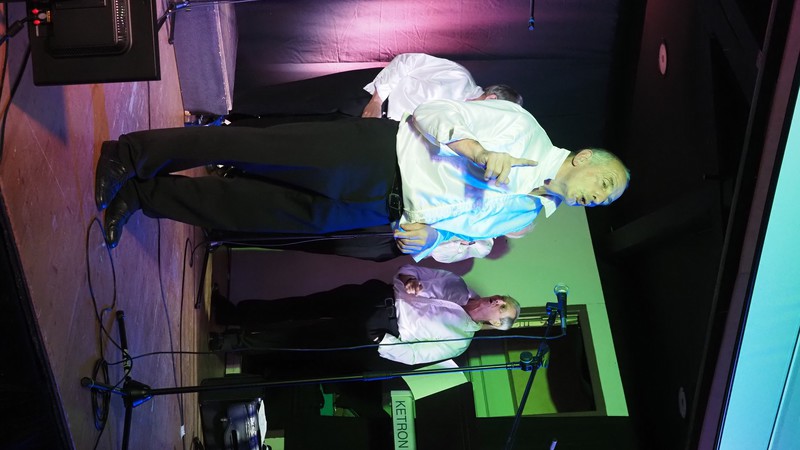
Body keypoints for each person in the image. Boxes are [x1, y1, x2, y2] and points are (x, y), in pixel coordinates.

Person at [95, 98, 630, 260]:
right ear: (584, 157)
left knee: (246, 210)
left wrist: (434, 236)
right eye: (604, 184)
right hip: (375, 155)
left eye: (605, 202)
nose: (597, 198)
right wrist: (477, 150)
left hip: (378, 209)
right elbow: (434, 113)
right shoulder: (523, 129)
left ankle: (145, 196)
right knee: (249, 149)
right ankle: (131, 154)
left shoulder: (530, 213)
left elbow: (462, 227)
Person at [210, 264, 521, 367]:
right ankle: (232, 313)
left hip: (381, 327)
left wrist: (380, 341)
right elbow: (411, 269)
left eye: (501, 307)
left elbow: (415, 355)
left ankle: (231, 343)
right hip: (376, 295)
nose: (496, 300)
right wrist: (408, 280)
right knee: (305, 305)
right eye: (501, 298)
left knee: (302, 336)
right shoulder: (457, 284)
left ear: (495, 323)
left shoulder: (459, 341)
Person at [229, 52, 523, 125]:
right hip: (369, 93)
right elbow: (407, 61)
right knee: (295, 99)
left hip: (374, 125)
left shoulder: (462, 121)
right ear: (491, 97)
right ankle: (227, 106)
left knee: (297, 126)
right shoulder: (458, 76)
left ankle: (229, 128)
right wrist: (377, 99)